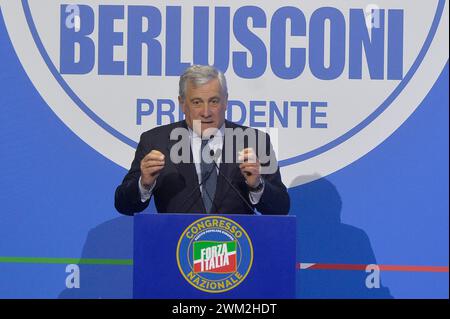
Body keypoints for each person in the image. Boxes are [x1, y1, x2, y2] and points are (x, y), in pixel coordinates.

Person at [115, 65, 290, 215]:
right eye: (197, 102)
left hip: (237, 249)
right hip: (175, 248)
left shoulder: (255, 141)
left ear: (226, 101)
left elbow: (281, 207)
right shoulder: (155, 141)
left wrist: (257, 185)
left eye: (214, 101)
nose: (206, 112)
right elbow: (124, 205)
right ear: (183, 104)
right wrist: (144, 184)